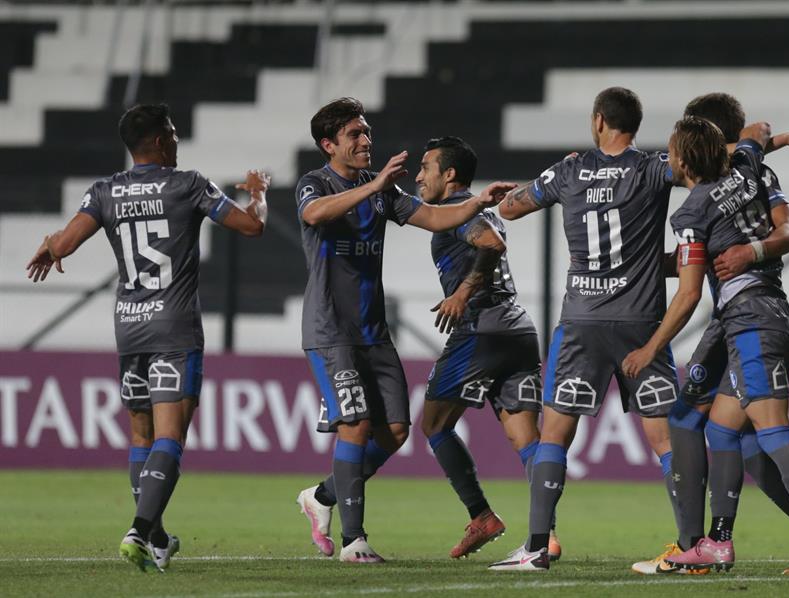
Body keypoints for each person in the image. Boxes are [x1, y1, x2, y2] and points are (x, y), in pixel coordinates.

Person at [25, 103, 270, 572]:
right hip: (174, 329)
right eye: (173, 133)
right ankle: (138, 530)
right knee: (170, 434)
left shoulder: (105, 192)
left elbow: (66, 242)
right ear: (159, 141)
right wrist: (258, 194)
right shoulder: (189, 184)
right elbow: (252, 225)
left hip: (130, 327)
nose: (177, 140)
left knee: (140, 433)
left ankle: (156, 536)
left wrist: (50, 244)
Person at [622, 116, 789, 577]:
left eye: (670, 153)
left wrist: (650, 349)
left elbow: (688, 294)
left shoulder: (690, 215)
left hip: (749, 322)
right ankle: (717, 544)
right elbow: (758, 129)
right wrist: (786, 138)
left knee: (773, 431)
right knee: (723, 429)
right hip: (769, 312)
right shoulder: (746, 169)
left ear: (684, 161)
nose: (667, 160)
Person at [292, 98, 514, 564]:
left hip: (374, 331)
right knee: (354, 426)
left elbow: (434, 216)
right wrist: (372, 184)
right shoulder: (315, 184)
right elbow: (315, 216)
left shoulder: (383, 193)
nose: (366, 140)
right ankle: (354, 542)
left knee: (393, 431)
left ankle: (322, 498)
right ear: (328, 144)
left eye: (367, 131)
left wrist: (477, 201)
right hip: (331, 330)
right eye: (355, 134)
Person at [487, 87, 687, 572]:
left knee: (554, 436)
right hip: (642, 323)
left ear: (599, 121)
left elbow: (510, 207)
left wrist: (542, 181)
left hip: (582, 322)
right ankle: (692, 545)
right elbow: (699, 165)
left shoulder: (569, 171)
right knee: (666, 441)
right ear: (634, 125)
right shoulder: (653, 169)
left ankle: (537, 547)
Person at [414, 136, 561, 560]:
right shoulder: (475, 209)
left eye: (426, 167)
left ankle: (481, 516)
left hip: (482, 328)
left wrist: (461, 293)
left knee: (435, 425)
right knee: (526, 439)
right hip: (517, 329)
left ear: (449, 175)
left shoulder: (454, 214)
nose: (419, 175)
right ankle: (544, 535)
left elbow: (493, 244)